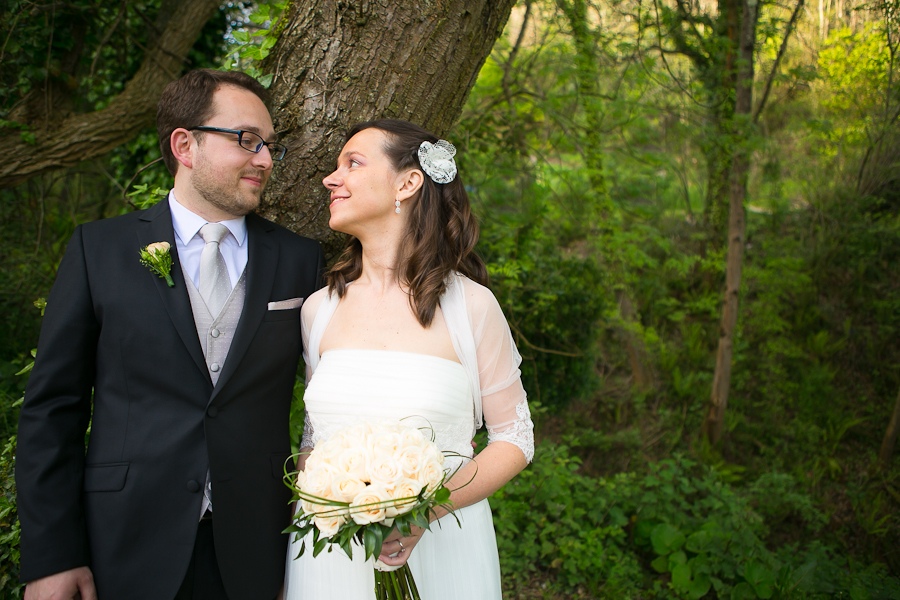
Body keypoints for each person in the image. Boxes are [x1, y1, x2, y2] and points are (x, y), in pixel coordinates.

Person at [16, 68, 324, 600]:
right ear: (185, 144)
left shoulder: (300, 259)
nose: (266, 160)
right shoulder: (99, 250)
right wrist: (51, 557)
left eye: (269, 145)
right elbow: (52, 410)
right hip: (124, 543)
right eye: (247, 140)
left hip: (255, 551)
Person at [282, 119, 534, 599]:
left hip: (445, 549)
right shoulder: (318, 309)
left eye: (352, 163)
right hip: (330, 558)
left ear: (408, 181)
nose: (330, 179)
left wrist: (424, 512)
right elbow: (314, 442)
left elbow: (515, 438)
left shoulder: (472, 307)